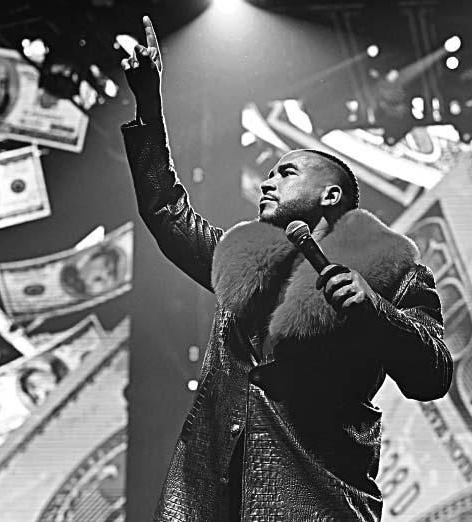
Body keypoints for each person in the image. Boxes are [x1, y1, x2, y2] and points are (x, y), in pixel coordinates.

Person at [121, 16, 452, 521]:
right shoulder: (239, 262)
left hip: (315, 502)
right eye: (270, 173)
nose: (267, 182)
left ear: (330, 195)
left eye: (286, 173)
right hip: (210, 502)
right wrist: (148, 104)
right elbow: (166, 211)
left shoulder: (393, 274)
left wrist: (376, 312)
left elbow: (433, 374)